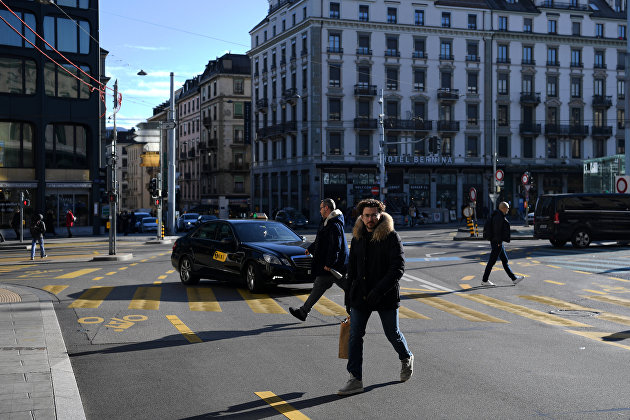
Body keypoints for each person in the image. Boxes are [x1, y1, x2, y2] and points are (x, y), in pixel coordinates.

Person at [338, 198, 413, 396]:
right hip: (360, 296)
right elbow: (352, 270)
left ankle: (406, 357)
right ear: (361, 217)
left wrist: (378, 291)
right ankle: (355, 379)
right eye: (366, 215)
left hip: (385, 295)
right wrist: (348, 296)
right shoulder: (357, 237)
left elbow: (398, 268)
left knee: (392, 333)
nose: (370, 219)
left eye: (374, 215)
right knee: (355, 336)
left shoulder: (391, 237)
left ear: (380, 215)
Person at [289, 198, 349, 321]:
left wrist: (329, 263)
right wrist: (310, 249)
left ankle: (354, 315)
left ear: (326, 208)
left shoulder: (334, 224)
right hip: (331, 266)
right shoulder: (327, 222)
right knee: (319, 287)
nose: (320, 210)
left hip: (335, 267)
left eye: (321, 208)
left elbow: (335, 246)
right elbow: (320, 240)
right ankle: (303, 312)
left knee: (350, 289)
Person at [482, 201, 524, 286]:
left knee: (505, 261)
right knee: (491, 262)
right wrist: (498, 242)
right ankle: (484, 280)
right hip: (497, 242)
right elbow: (497, 231)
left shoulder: (498, 215)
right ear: (503, 208)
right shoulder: (498, 217)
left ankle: (514, 279)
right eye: (507, 208)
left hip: (498, 242)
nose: (508, 209)